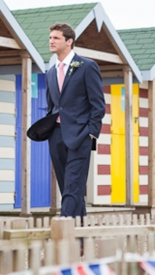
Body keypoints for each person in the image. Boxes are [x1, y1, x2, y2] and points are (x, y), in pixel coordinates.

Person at [46, 23, 105, 218]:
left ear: (69, 41)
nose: (51, 41)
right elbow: (52, 106)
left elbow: (98, 104)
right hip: (56, 136)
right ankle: (78, 242)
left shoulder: (87, 66)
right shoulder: (50, 72)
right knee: (68, 188)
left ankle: (63, 234)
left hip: (80, 136)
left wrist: (91, 133)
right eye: (50, 38)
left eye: (56, 38)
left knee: (73, 186)